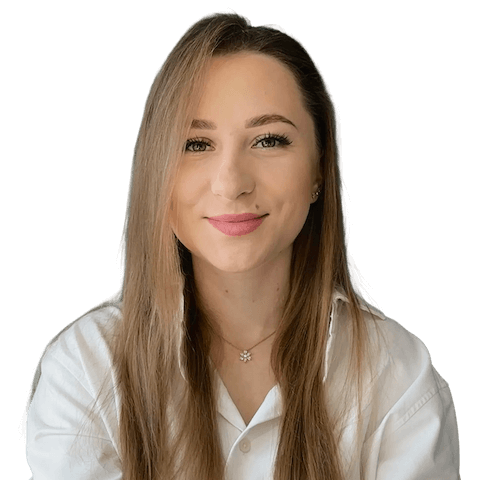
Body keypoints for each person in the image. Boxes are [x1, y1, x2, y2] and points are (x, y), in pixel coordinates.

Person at [21, 9, 460, 480]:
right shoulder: (85, 369)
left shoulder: (399, 375)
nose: (230, 184)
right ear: (156, 171)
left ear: (319, 168)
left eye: (269, 140)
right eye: (196, 144)